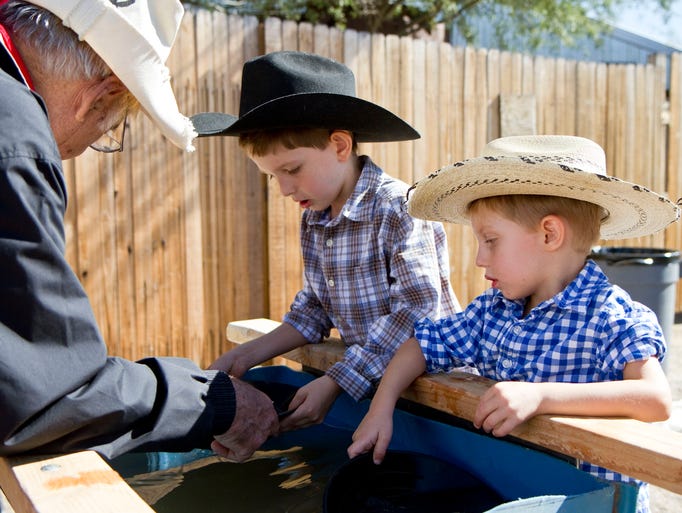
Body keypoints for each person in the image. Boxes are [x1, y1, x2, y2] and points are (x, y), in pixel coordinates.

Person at [0, 0, 278, 462]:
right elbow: (43, 400)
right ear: (100, 95)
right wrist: (214, 402)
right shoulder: (17, 138)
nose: (82, 149)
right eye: (108, 128)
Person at [347, 135, 681, 513]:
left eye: (490, 241)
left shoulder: (612, 316)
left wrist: (539, 397)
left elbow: (655, 399)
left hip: (595, 502)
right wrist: (382, 405)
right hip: (513, 492)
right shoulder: (493, 312)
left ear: (549, 234)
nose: (478, 259)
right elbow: (421, 345)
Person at [191, 51, 461, 431]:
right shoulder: (315, 219)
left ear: (339, 146)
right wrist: (247, 354)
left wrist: (337, 380)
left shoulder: (397, 208)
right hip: (371, 386)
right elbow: (316, 308)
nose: (284, 188)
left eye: (292, 169)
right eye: (272, 177)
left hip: (436, 400)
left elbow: (417, 316)